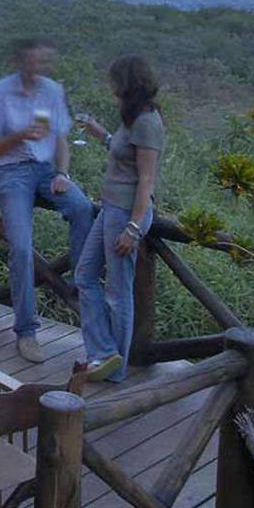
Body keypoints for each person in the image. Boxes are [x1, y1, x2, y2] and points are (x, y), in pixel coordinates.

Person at [0, 39, 93, 363]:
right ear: (19, 62)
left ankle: (79, 287)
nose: (38, 69)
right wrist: (20, 135)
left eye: (42, 64)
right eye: (32, 63)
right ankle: (26, 331)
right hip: (10, 172)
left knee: (83, 209)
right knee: (22, 248)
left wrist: (64, 173)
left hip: (45, 170)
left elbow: (61, 139)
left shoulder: (51, 90)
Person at [75, 55, 165, 382]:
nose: (112, 87)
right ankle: (103, 352)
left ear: (128, 83)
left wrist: (133, 226)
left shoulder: (147, 122)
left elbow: (146, 180)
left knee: (117, 291)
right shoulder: (132, 118)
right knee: (84, 275)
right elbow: (122, 152)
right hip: (111, 209)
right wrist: (99, 132)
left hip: (126, 213)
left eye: (115, 81)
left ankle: (115, 368)